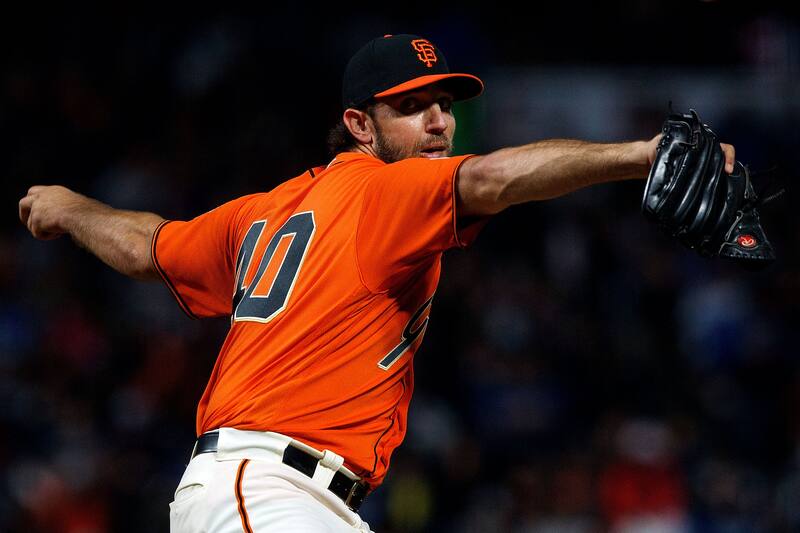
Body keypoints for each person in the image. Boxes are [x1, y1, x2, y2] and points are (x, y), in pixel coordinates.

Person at [18, 34, 737, 532]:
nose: (437, 122)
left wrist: (69, 207)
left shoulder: (264, 211)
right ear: (359, 124)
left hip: (290, 497)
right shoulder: (385, 192)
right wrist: (643, 154)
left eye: (445, 105)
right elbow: (490, 178)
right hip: (269, 492)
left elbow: (150, 243)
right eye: (410, 105)